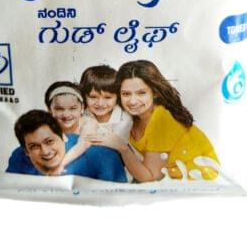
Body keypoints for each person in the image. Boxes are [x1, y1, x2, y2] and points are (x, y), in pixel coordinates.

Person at [84, 60, 220, 182]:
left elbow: (149, 177)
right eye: (126, 94)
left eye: (141, 93)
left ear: (154, 92)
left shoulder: (161, 120)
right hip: (171, 179)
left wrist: (122, 147)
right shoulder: (133, 116)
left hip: (199, 181)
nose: (132, 101)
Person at [6, 109, 127, 183]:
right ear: (26, 151)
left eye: (49, 141)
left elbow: (117, 202)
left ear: (63, 137)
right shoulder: (18, 157)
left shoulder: (103, 156)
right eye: (34, 147)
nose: (45, 151)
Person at [80, 65, 133, 141]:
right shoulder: (81, 115)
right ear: (84, 96)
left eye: (107, 97)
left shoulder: (125, 119)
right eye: (93, 97)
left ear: (117, 97)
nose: (100, 103)